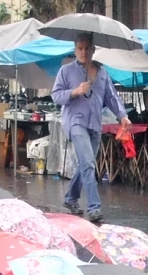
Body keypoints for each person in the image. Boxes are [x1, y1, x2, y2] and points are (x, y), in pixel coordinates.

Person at [52, 32, 131, 223]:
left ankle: (70, 198)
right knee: (88, 163)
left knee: (85, 164)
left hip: (95, 124)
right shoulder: (66, 71)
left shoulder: (102, 72)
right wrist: (75, 91)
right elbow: (56, 96)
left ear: (93, 50)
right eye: (80, 48)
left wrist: (123, 116)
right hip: (75, 121)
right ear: (75, 50)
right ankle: (94, 207)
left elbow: (111, 97)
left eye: (87, 48)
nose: (83, 52)